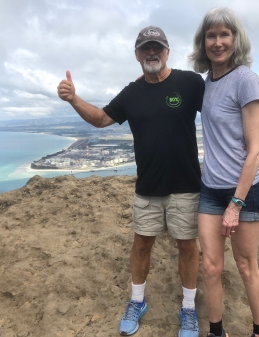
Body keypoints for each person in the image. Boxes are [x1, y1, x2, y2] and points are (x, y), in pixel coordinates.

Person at [57, 26, 204, 337]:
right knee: (141, 245)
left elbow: (220, 107)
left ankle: (188, 308)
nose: (152, 52)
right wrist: (73, 98)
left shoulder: (190, 83)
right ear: (137, 55)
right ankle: (137, 302)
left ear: (167, 52)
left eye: (157, 47)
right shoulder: (132, 93)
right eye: (145, 48)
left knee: (188, 246)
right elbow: (100, 119)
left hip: (186, 184)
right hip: (148, 186)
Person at [189, 8, 259, 337]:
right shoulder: (205, 84)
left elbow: (255, 148)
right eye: (211, 36)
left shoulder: (245, 80)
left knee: (245, 265)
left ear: (236, 40)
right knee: (209, 266)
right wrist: (147, 80)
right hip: (210, 189)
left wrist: (235, 204)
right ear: (203, 43)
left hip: (245, 191)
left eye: (225, 34)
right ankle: (216, 331)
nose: (218, 41)